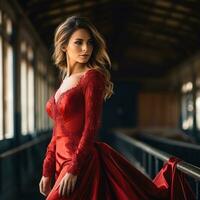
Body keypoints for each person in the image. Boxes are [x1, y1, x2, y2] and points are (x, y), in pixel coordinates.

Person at [39, 16, 195, 200]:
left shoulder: (92, 77)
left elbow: (91, 127)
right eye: (78, 43)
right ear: (64, 46)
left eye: (89, 43)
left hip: (80, 162)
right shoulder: (64, 81)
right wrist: (47, 170)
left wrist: (74, 168)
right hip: (59, 161)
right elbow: (56, 133)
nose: (86, 49)